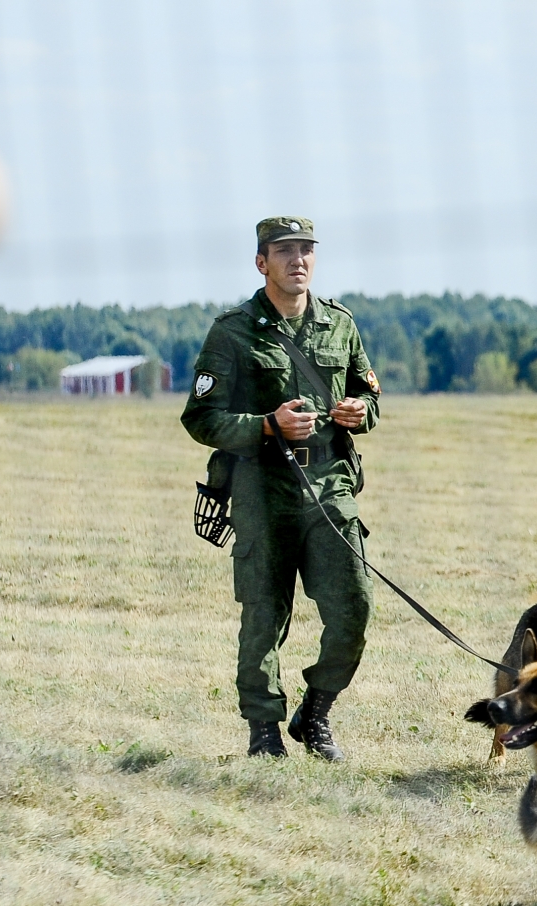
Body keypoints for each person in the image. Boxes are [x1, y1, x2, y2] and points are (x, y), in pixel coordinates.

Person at [181, 217, 381, 760]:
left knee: (354, 609)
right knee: (264, 616)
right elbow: (200, 418)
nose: (298, 260)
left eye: (307, 250)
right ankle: (264, 732)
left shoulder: (340, 325)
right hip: (261, 490)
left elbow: (371, 399)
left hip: (331, 489)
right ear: (261, 262)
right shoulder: (233, 331)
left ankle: (315, 713)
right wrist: (266, 424)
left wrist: (359, 413)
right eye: (285, 251)